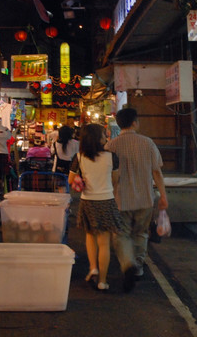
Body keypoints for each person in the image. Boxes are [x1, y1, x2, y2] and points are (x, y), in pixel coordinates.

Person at [105, 108, 168, 280]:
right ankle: (138, 266)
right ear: (134, 122)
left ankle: (127, 264)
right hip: (145, 198)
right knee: (141, 233)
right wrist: (163, 195)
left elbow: (106, 174)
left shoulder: (111, 145)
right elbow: (157, 172)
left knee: (121, 234)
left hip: (120, 199)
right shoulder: (148, 143)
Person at [68, 124, 126, 291]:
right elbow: (115, 180)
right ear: (97, 138)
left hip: (88, 201)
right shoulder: (112, 157)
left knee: (90, 236)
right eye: (103, 134)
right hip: (106, 200)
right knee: (104, 243)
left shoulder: (79, 157)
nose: (106, 137)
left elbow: (71, 180)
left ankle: (93, 267)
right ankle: (102, 280)